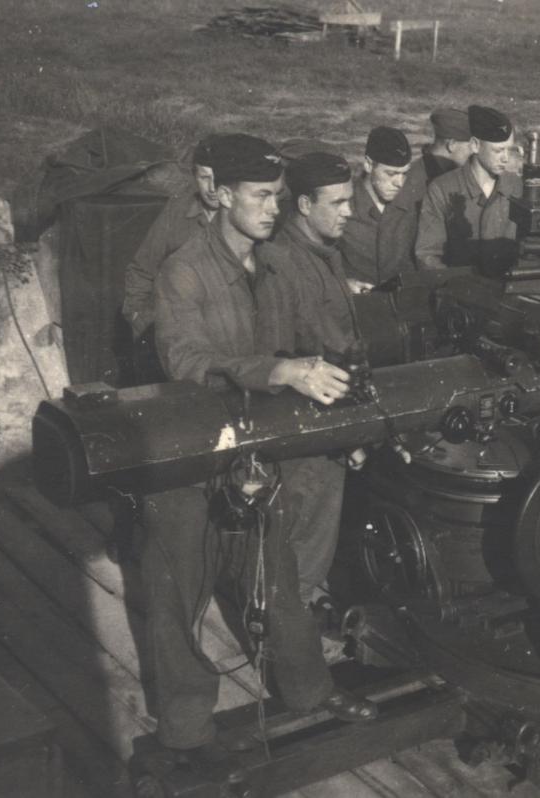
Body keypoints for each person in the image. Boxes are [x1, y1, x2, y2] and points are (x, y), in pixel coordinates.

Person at [143, 134, 375, 770]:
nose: (274, 208)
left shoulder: (273, 266)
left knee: (280, 585)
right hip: (186, 460)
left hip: (252, 457)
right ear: (221, 196)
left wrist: (337, 424)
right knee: (179, 595)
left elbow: (307, 345)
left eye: (278, 196)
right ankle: (187, 731)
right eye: (261, 196)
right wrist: (274, 371)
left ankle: (309, 693)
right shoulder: (184, 271)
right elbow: (187, 361)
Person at [258, 150, 362, 607]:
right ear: (303, 205)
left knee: (314, 544)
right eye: (337, 203)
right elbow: (281, 357)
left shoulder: (323, 254)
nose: (349, 212)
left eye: (349, 201)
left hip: (332, 418)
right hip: (307, 434)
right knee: (298, 552)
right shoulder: (281, 264)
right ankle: (285, 648)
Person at [121, 134, 222, 382]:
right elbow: (142, 269)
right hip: (178, 332)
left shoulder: (244, 216)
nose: (211, 187)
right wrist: (139, 319)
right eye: (204, 177)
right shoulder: (178, 211)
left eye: (219, 178)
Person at [415, 104, 523, 273]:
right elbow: (428, 255)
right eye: (498, 150)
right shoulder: (442, 189)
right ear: (475, 145)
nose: (506, 158)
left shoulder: (516, 187)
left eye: (509, 150)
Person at [378, 108, 472, 274]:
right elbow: (396, 253)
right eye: (470, 147)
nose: (474, 153)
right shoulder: (415, 185)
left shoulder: (441, 174)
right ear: (451, 145)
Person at [338, 126, 413, 291]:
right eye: (391, 174)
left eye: (404, 173)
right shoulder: (342, 206)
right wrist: (343, 284)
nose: (399, 183)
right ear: (369, 165)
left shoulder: (410, 206)